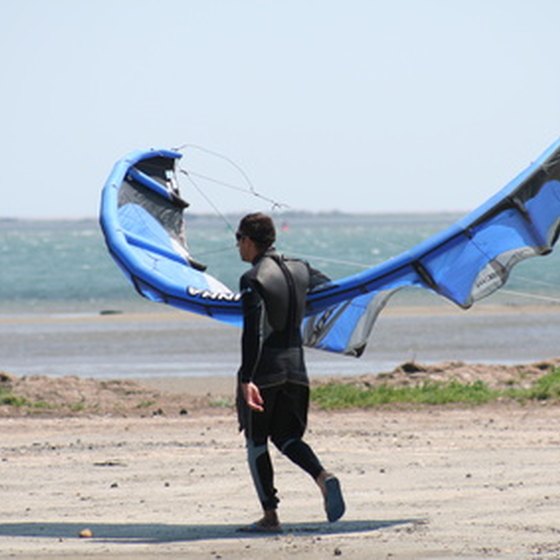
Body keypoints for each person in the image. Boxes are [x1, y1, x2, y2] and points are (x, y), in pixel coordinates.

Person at [235, 212, 345, 533]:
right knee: (286, 436)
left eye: (238, 239)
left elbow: (252, 333)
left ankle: (270, 516)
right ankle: (323, 478)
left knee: (257, 442)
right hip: (296, 367)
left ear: (249, 240)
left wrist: (246, 379)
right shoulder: (301, 268)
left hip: (265, 370)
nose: (237, 247)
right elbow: (330, 290)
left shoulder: (253, 278)